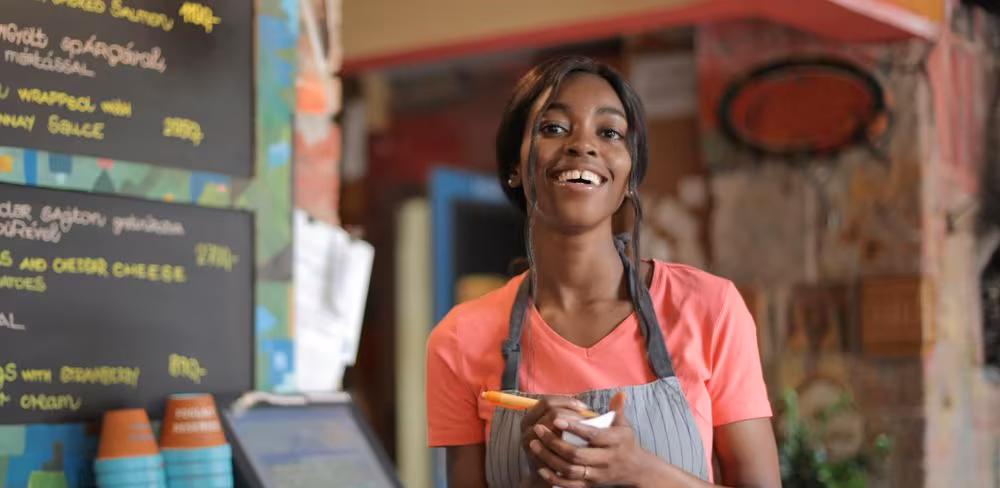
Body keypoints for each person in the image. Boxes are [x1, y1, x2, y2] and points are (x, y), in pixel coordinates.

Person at [425, 55, 780, 488]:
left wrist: (641, 470)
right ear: (515, 167)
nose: (582, 145)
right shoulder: (459, 339)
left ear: (630, 174)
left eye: (609, 132)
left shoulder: (710, 308)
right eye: (553, 128)